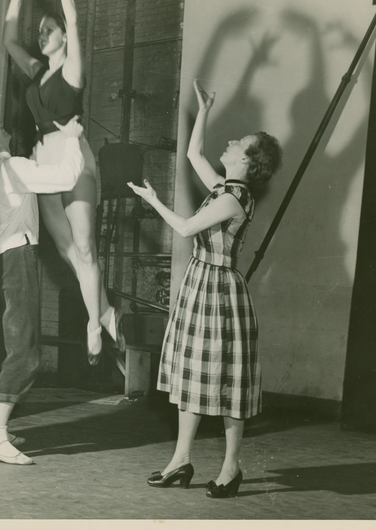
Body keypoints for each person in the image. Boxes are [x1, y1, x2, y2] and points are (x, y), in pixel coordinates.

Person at [128, 80, 282, 498]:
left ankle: (231, 468)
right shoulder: (223, 186)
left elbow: (183, 227)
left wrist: (153, 200)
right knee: (192, 377)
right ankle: (180, 461)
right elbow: (193, 153)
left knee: (227, 381)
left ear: (249, 162)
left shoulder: (236, 197)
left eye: (239, 143)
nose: (230, 142)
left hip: (220, 292)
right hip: (200, 284)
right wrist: (205, 108)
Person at [3, 0, 122, 365]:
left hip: (73, 155)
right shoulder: (37, 73)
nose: (41, 35)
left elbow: (73, 19)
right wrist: (16, 0)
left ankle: (94, 323)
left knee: (86, 247)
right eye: (40, 31)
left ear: (64, 38)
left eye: (48, 30)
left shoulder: (71, 70)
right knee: (69, 252)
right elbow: (8, 42)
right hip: (44, 162)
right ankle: (105, 311)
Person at [0, 111, 85, 465]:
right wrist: (73, 136)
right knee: (26, 351)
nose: (3, 126)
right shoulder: (11, 165)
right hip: (16, 258)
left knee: (5, 348)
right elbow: (67, 176)